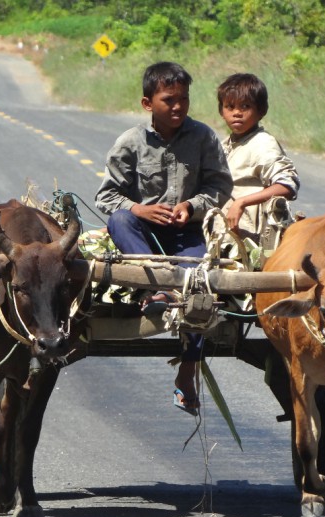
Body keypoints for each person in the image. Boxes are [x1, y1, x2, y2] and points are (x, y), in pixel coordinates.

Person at [95, 61, 233, 415]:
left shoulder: (203, 137)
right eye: (169, 100)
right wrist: (140, 209)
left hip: (188, 231)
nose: (177, 107)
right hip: (142, 235)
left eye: (183, 99)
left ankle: (187, 373)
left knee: (203, 288)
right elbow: (106, 196)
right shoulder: (130, 142)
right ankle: (154, 287)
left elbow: (219, 186)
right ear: (147, 104)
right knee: (120, 220)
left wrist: (192, 205)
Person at [216, 73, 300, 248]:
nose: (237, 113)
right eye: (229, 107)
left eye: (245, 106)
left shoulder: (262, 144)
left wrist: (242, 202)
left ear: (261, 111)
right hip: (223, 230)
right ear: (221, 111)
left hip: (247, 237)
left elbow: (287, 185)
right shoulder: (227, 144)